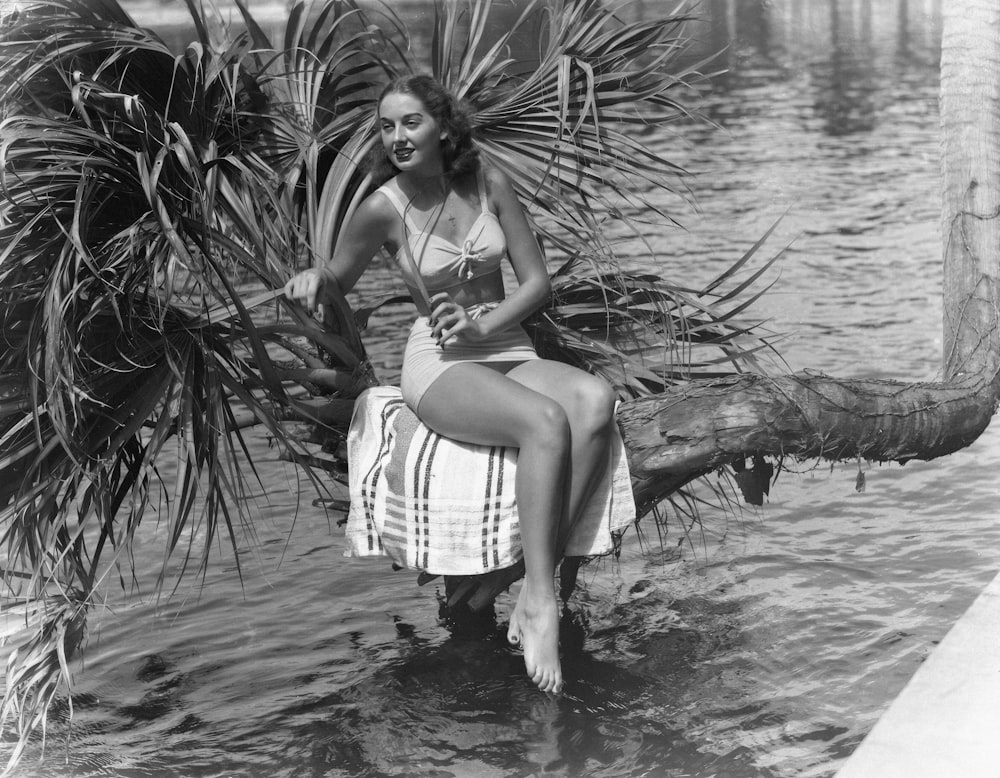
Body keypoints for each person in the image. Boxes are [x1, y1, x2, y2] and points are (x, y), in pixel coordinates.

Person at [284, 74, 617, 694]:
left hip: (506, 343)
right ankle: (541, 600)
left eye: (409, 122)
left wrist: (483, 322)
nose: (397, 136)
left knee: (595, 402)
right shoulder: (384, 207)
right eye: (386, 127)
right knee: (545, 422)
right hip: (440, 361)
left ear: (442, 126)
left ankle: (513, 576)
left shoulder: (487, 179)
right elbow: (337, 274)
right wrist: (313, 279)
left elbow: (535, 282)